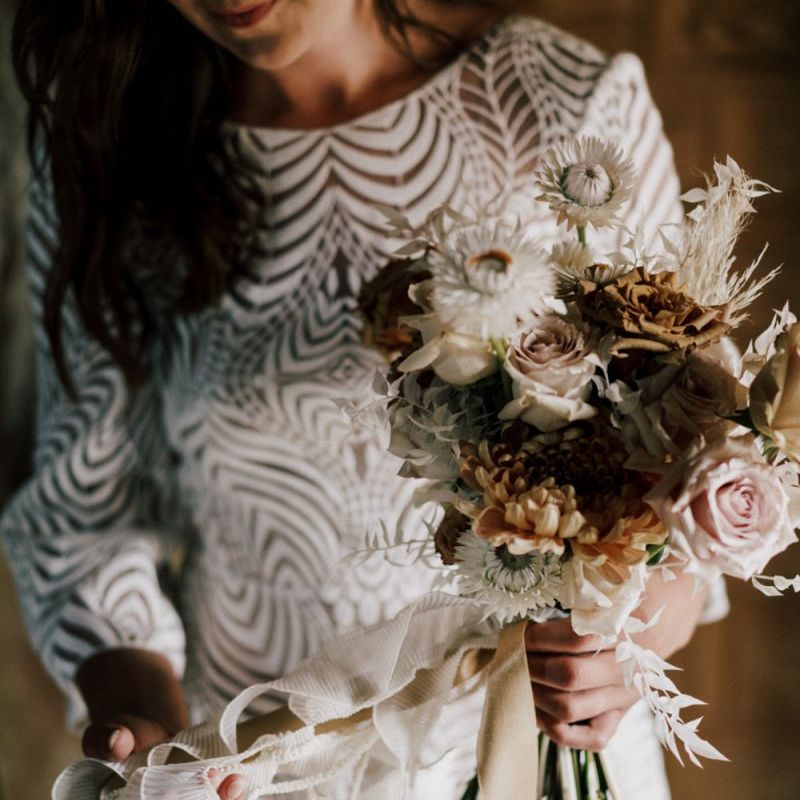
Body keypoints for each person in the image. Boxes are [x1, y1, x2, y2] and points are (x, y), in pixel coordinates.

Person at [2, 1, 727, 798]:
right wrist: (152, 738)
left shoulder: (566, 105)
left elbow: (699, 459)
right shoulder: (113, 141)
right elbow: (87, 511)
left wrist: (617, 653)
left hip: (528, 743)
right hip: (260, 756)